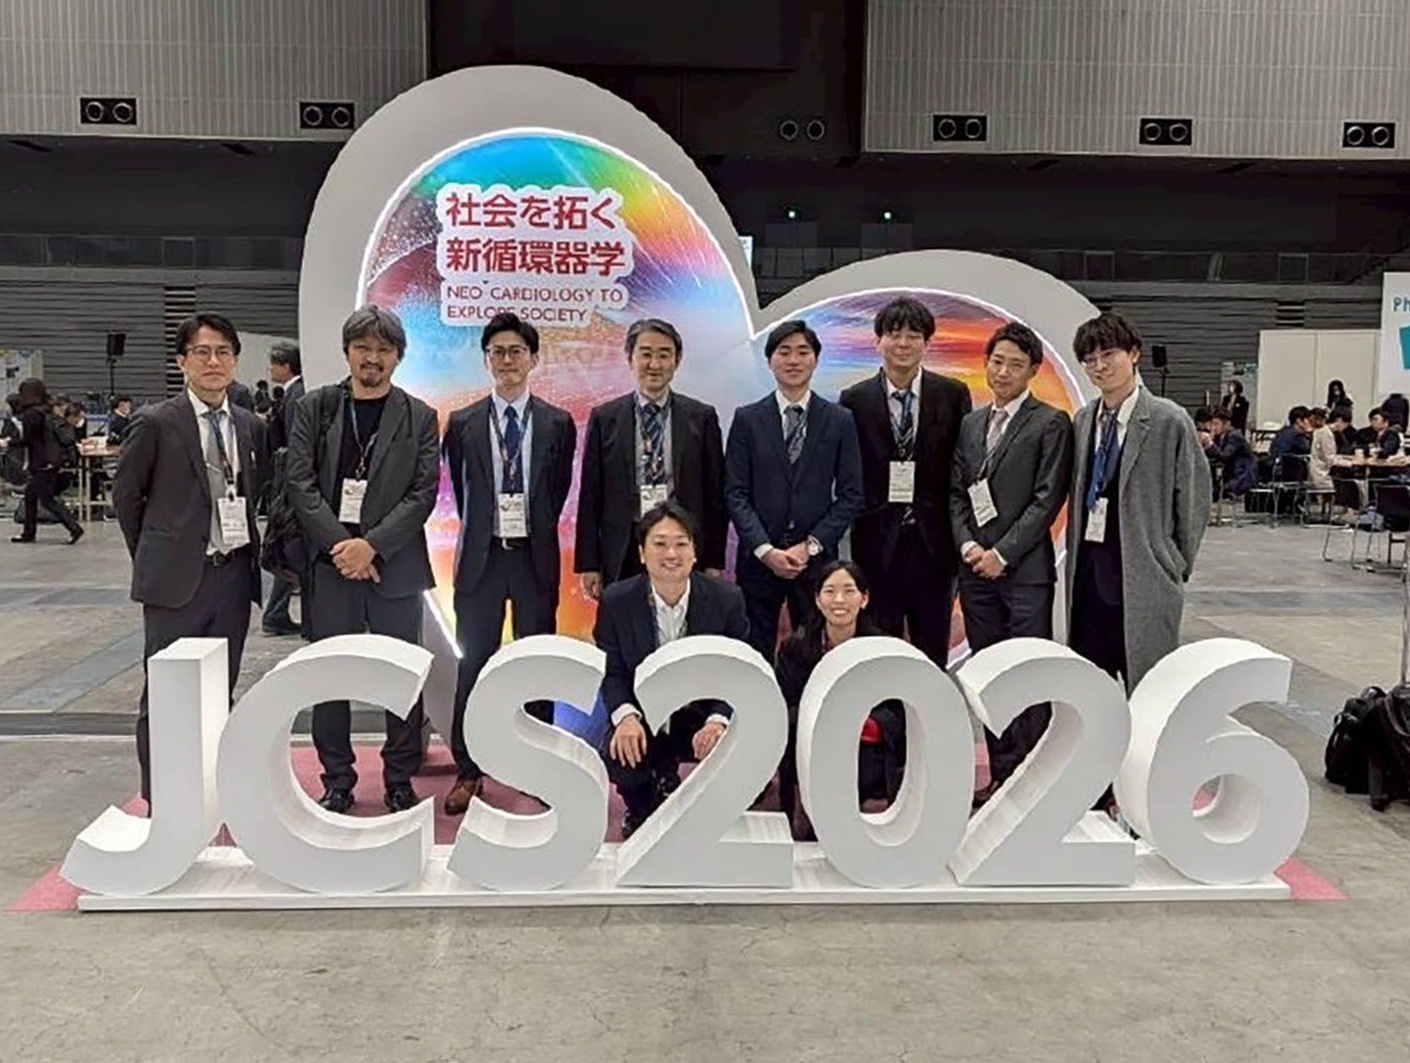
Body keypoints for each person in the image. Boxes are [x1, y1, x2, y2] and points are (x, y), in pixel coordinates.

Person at [285, 305, 440, 814]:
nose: (372, 358)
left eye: (383, 349)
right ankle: (338, 779)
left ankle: (399, 777)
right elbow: (300, 483)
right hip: (331, 566)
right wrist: (343, 547)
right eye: (362, 348)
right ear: (347, 351)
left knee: (403, 677)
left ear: (398, 356)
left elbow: (423, 493)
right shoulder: (316, 407)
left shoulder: (419, 416)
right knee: (330, 677)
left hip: (395, 565)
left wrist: (371, 546)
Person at [112, 314, 267, 806]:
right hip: (177, 580)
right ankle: (161, 799)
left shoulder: (249, 425)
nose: (213, 361)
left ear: (235, 361)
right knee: (165, 692)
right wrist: (157, 554)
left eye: (223, 352)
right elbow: (126, 497)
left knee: (220, 688)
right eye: (202, 352)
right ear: (182, 361)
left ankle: (211, 788)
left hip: (233, 574)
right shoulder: (157, 422)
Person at [441, 312, 577, 815]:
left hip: (533, 558)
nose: (507, 360)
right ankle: (468, 769)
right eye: (497, 352)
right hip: (481, 558)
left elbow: (556, 491)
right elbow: (463, 493)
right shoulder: (463, 423)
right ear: (486, 360)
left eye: (516, 351)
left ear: (533, 359)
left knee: (536, 663)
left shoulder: (558, 423)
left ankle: (536, 765)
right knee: (473, 663)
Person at [950, 321, 1073, 801]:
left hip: (1024, 573)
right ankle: (1001, 773)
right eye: (997, 362)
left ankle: (1033, 777)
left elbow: (1047, 499)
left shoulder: (1050, 423)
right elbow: (957, 492)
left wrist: (1002, 553)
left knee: (1027, 673)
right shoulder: (971, 424)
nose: (1003, 372)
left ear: (1033, 370)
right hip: (975, 572)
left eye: (1015, 365)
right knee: (989, 674)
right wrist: (969, 547)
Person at [1067, 311, 1210, 692]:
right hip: (1089, 577)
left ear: (1133, 353)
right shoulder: (1083, 420)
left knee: (1148, 689)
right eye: (1090, 360)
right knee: (1091, 692)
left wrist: (1174, 563)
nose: (1100, 366)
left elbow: (1193, 500)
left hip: (1144, 576)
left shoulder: (1168, 420)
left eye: (1108, 355)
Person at [596, 501, 749, 837]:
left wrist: (718, 719)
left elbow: (738, 670)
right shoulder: (617, 601)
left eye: (681, 544)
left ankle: (706, 821)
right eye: (660, 544)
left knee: (737, 748)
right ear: (641, 553)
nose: (671, 554)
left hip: (700, 713)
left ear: (694, 552)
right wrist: (625, 717)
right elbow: (612, 671)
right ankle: (642, 810)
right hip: (644, 713)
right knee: (621, 753)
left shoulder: (727, 599)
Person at [839, 295, 971, 669]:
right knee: (880, 649)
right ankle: (884, 708)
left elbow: (961, 469)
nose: (903, 343)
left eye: (913, 336)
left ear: (927, 343)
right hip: (876, 543)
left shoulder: (952, 394)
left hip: (934, 544)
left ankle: (932, 707)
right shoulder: (854, 400)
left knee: (932, 647)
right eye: (894, 335)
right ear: (878, 341)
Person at [724, 319, 864, 659]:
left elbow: (851, 495)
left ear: (815, 359)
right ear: (770, 360)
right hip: (759, 561)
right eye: (784, 352)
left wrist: (810, 546)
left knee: (814, 651)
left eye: (803, 352)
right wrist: (765, 549)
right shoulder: (747, 419)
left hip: (815, 564)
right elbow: (735, 492)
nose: (793, 360)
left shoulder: (839, 419)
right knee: (754, 651)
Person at [575, 318, 727, 599]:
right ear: (630, 358)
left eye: (664, 355)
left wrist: (715, 561)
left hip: (681, 545)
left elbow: (715, 496)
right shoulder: (605, 418)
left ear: (677, 361)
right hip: (623, 545)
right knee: (624, 621)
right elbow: (590, 495)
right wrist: (589, 563)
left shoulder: (701, 417)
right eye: (645, 354)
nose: (654, 364)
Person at [773, 560, 905, 838]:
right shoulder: (794, 648)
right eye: (830, 591)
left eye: (849, 591)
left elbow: (897, 711)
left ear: (864, 598)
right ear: (817, 600)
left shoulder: (883, 649)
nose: (839, 600)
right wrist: (827, 721)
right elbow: (784, 707)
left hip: (864, 746)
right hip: (810, 746)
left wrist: (862, 725)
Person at [260, 341, 304, 637]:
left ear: (285, 365)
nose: (270, 370)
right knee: (289, 548)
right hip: (286, 484)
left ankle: (276, 613)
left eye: (273, 365)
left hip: (290, 484)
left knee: (289, 547)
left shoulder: (297, 395)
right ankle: (276, 612)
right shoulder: (292, 395)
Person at [9, 378, 84, 545]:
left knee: (46, 499)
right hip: (52, 459)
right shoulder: (47, 410)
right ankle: (29, 533)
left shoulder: (31, 414)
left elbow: (29, 440)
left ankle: (74, 528)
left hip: (41, 461)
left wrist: (9, 442)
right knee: (31, 496)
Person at [1199, 407, 1258, 498]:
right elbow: (1215, 455)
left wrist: (1210, 443)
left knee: (1216, 493)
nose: (1214, 428)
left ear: (1227, 424)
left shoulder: (1234, 436)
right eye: (1212, 424)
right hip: (1230, 475)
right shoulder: (1220, 436)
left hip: (1241, 476)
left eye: (1217, 424)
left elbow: (1224, 456)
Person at [1309, 408, 1339, 491]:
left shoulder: (1325, 433)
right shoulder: (1316, 432)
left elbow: (1329, 455)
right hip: (1316, 469)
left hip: (1323, 471)